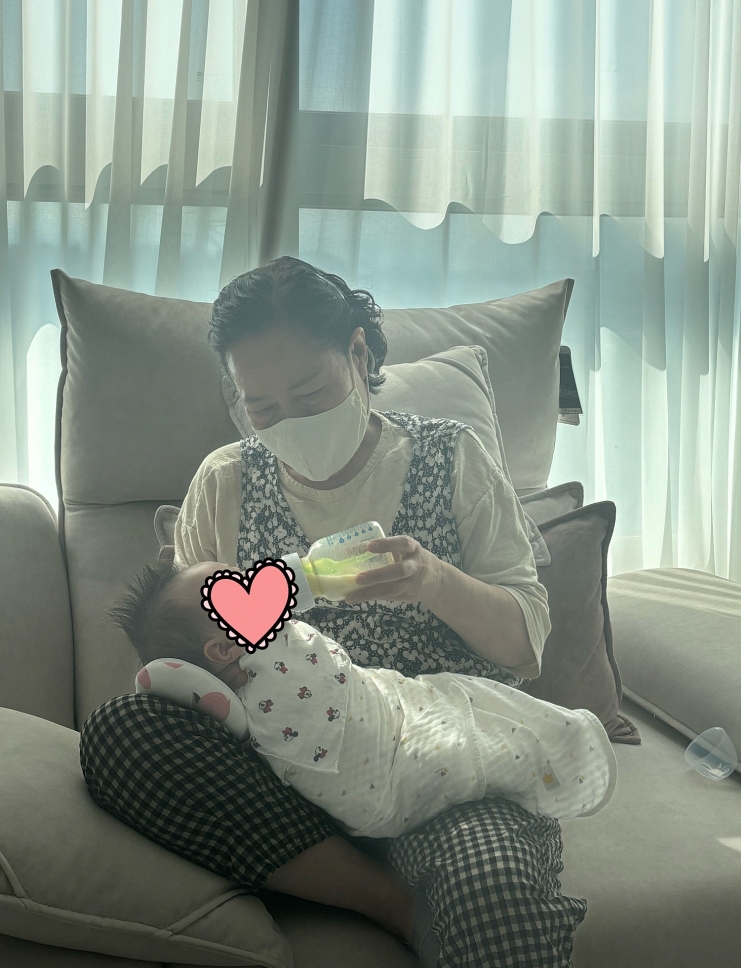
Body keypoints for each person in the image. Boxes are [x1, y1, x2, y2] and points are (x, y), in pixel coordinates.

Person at [80, 255, 591, 968]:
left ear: (358, 353)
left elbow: (524, 644)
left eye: (309, 392)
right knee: (119, 732)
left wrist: (434, 581)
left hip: (444, 776)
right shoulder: (225, 482)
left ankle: (419, 886)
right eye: (262, 408)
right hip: (288, 784)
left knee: (495, 895)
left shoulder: (452, 457)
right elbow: (184, 661)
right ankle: (391, 902)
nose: (287, 421)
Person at [112, 559, 618, 837]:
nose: (249, 580)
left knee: (464, 702)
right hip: (389, 768)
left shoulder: (243, 691)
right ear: (223, 647)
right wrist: (303, 573)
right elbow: (290, 589)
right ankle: (568, 756)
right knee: (471, 744)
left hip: (385, 731)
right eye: (231, 587)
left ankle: (557, 753)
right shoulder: (263, 662)